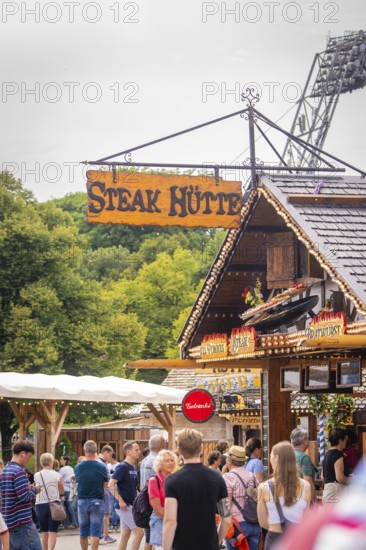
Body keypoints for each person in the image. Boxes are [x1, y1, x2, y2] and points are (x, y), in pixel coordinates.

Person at [163, 428, 231, 550]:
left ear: (179, 451)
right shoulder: (217, 477)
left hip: (181, 545)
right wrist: (217, 542)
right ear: (201, 448)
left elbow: (170, 521)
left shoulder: (172, 480)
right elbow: (226, 518)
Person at [257, 441, 311, 549]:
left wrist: (276, 524)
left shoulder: (263, 487)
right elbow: (305, 519)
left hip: (274, 541)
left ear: (276, 458)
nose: (270, 459)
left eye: (271, 455)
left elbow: (263, 522)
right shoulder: (306, 486)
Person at [0, 440, 42, 550]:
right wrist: (35, 490)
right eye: (28, 457)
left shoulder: (5, 470)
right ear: (22, 454)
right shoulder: (19, 472)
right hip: (22, 522)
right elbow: (24, 497)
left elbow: (8, 493)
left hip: (9, 521)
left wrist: (26, 488)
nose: (28, 461)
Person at [223, 445, 261, 550]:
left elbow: (226, 505)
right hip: (254, 523)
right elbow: (259, 498)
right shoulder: (252, 476)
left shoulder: (228, 477)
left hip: (237, 526)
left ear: (230, 460)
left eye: (227, 458)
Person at [108, 441, 143, 550]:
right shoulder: (122, 466)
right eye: (136, 450)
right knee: (139, 532)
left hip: (131, 505)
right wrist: (120, 501)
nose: (139, 452)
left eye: (139, 449)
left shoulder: (132, 467)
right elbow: (110, 485)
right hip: (124, 506)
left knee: (125, 535)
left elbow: (134, 489)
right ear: (128, 451)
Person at [75, 440, 109, 550]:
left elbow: (78, 480)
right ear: (96, 451)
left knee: (83, 532)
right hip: (97, 500)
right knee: (95, 532)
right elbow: (106, 484)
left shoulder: (78, 467)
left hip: (82, 500)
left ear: (84, 451)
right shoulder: (102, 466)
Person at [139, 435, 166, 550]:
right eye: (165, 444)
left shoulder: (145, 459)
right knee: (151, 539)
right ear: (161, 446)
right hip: (155, 503)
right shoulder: (157, 461)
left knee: (149, 537)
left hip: (146, 501)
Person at [148, 450, 177, 550]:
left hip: (173, 519)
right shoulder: (154, 481)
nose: (170, 463)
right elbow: (157, 509)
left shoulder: (175, 479)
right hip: (160, 520)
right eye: (166, 461)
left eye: (172, 460)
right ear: (160, 463)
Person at [34, 453, 64, 550]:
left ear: (41, 463)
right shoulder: (56, 474)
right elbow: (61, 487)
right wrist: (62, 495)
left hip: (39, 505)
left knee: (44, 531)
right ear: (51, 462)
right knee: (53, 531)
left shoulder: (37, 475)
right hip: (54, 504)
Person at [322, 428, 349, 504]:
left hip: (327, 491)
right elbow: (340, 478)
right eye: (345, 440)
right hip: (336, 492)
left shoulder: (327, 454)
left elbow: (323, 476)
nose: (345, 443)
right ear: (340, 440)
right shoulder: (338, 454)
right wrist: (353, 480)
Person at [290, 429, 316, 502]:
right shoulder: (304, 457)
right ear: (304, 441)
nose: (309, 441)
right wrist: (314, 501)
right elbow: (308, 483)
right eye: (308, 438)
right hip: (301, 498)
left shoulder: (286, 455)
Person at [97, 445, 116, 545]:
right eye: (110, 455)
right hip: (104, 491)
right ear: (106, 453)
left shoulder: (101, 462)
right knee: (106, 513)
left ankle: (102, 535)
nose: (110, 457)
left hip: (102, 490)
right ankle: (105, 535)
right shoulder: (102, 464)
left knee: (105, 513)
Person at [59, 455, 77, 528]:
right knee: (69, 507)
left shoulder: (62, 469)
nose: (60, 460)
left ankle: (61, 523)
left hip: (63, 489)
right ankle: (73, 522)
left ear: (65, 460)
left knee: (61, 506)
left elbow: (58, 479)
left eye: (61, 459)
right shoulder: (71, 468)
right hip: (69, 489)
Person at [107, 453, 120, 533]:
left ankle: (114, 524)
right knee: (112, 507)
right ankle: (116, 522)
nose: (107, 458)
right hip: (109, 488)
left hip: (116, 489)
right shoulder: (107, 466)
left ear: (112, 457)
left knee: (113, 507)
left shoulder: (118, 466)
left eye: (109, 457)